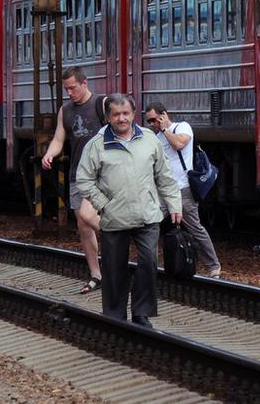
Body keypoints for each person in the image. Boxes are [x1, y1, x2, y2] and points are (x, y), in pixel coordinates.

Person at [75, 94, 181, 327]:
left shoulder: (150, 140)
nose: (121, 118)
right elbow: (84, 179)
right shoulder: (96, 145)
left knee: (149, 262)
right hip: (114, 217)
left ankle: (141, 313)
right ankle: (115, 316)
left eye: (126, 114)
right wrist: (102, 203)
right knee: (114, 269)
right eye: (116, 114)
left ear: (134, 114)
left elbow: (164, 175)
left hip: (147, 214)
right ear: (108, 117)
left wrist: (174, 203)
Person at [41, 65, 106, 294]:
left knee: (90, 216)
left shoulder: (101, 104)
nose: (69, 93)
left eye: (73, 88)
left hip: (100, 173)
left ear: (84, 83)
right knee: (82, 225)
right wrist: (50, 153)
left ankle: (116, 237)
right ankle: (96, 274)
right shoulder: (65, 110)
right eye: (66, 89)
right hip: (77, 173)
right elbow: (59, 139)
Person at [143, 102, 221, 278]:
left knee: (194, 228)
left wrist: (164, 129)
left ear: (164, 115)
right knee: (150, 225)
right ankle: (150, 265)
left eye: (154, 120)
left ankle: (213, 265)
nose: (152, 124)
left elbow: (179, 144)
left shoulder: (182, 127)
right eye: (149, 122)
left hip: (183, 189)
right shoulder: (156, 138)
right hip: (163, 191)